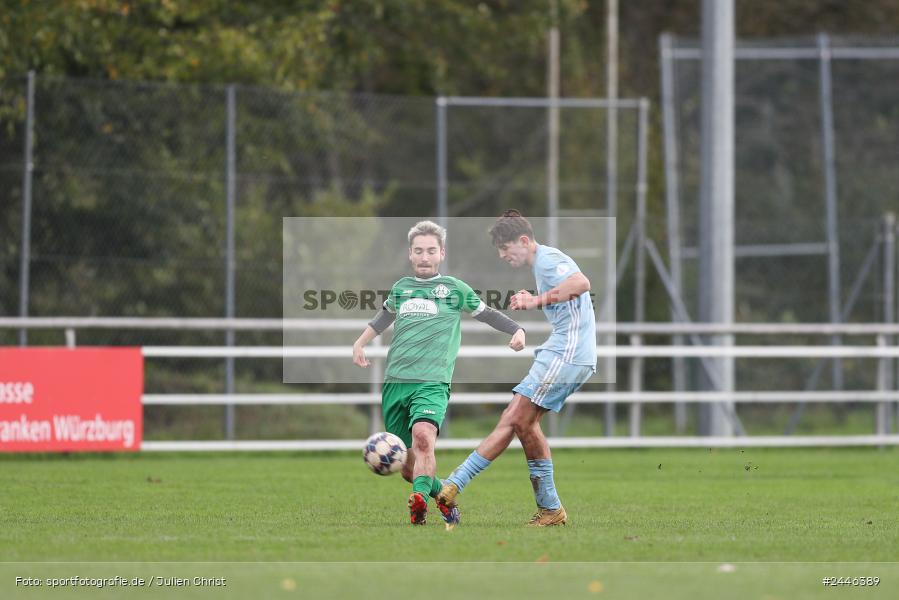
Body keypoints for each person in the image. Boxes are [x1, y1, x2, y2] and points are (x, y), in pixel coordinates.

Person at [353, 220, 526, 527]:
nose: (424, 256)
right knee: (408, 469)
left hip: (432, 382)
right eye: (418, 251)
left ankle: (418, 503)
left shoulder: (454, 289)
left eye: (431, 250)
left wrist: (516, 329)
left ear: (441, 253)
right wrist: (360, 343)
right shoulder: (401, 288)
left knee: (423, 439)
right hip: (396, 383)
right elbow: (383, 317)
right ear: (410, 254)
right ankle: (441, 492)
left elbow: (487, 314)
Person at [437, 209, 596, 527]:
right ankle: (550, 509)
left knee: (513, 418)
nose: (502, 255)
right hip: (563, 352)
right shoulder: (543, 263)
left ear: (524, 241)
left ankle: (453, 485)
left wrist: (535, 301)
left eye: (505, 248)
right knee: (522, 424)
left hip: (566, 353)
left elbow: (582, 282)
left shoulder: (548, 260)